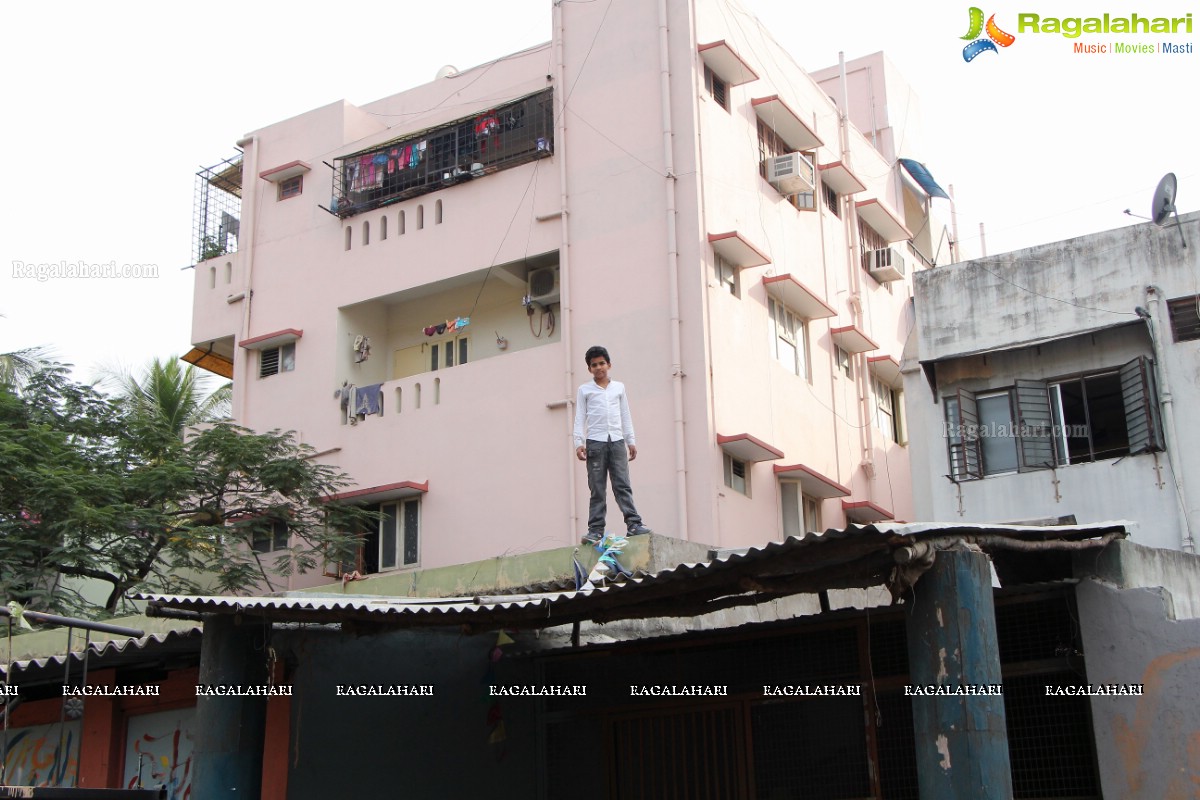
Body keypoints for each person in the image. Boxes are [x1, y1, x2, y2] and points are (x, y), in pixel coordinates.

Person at [573, 346, 652, 544]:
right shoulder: (585, 390)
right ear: (589, 369)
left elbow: (625, 414)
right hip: (595, 443)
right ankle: (595, 530)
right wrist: (578, 442)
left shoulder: (619, 388)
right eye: (594, 365)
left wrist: (630, 440)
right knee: (597, 488)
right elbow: (580, 417)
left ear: (609, 364)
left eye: (602, 363)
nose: (599, 367)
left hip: (616, 441)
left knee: (622, 484)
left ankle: (634, 524)